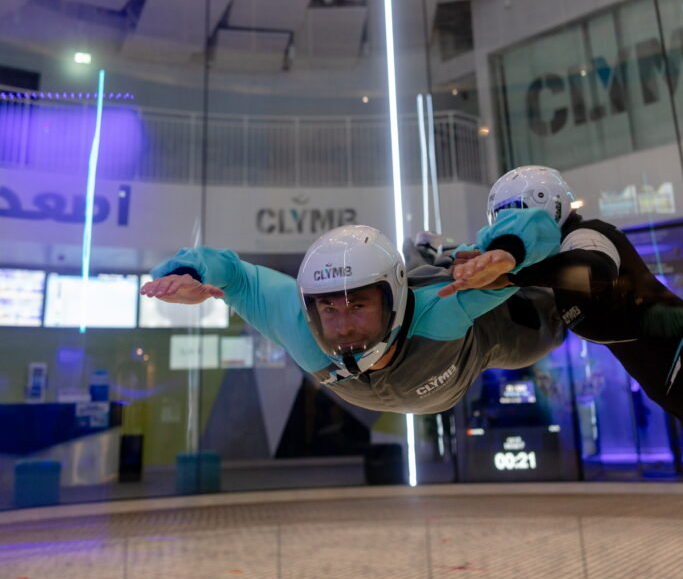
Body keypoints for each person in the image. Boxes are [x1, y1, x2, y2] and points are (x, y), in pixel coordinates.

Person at [141, 215, 565, 415]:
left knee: (554, 321)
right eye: (328, 307)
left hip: (481, 341)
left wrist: (508, 252)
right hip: (432, 358)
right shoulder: (301, 326)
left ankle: (442, 257)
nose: (342, 326)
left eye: (359, 305)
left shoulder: (443, 308)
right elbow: (235, 277)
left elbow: (538, 234)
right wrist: (186, 272)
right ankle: (428, 253)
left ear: (391, 301)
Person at [438, 165, 683, 421]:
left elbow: (595, 271)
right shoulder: (557, 266)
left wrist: (513, 276)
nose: (512, 228)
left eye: (515, 216)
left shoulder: (585, 234)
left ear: (546, 203)